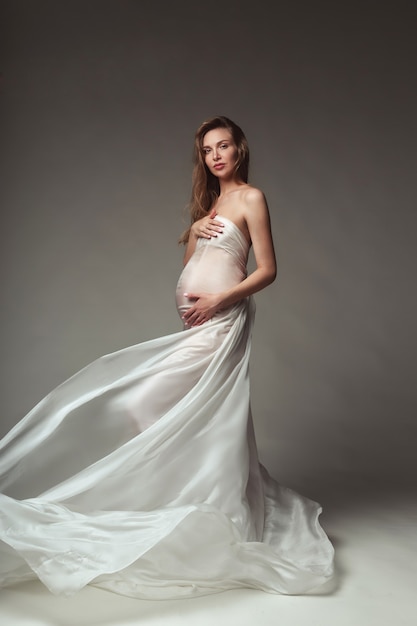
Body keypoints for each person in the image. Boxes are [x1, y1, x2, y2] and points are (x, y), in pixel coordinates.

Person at [0, 116, 334, 599]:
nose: (215, 155)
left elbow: (268, 269)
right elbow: (192, 266)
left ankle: (207, 504)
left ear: (240, 149)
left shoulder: (250, 198)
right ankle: (193, 494)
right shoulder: (212, 204)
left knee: (158, 405)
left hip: (225, 321)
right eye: (207, 150)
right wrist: (195, 229)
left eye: (223, 146)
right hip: (198, 322)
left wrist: (220, 300)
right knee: (197, 414)